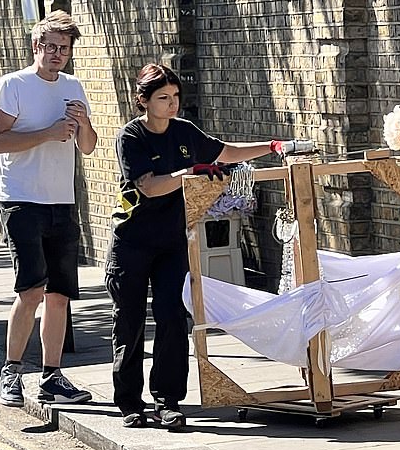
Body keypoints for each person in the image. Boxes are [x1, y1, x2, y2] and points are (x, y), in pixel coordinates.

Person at [107, 63, 310, 430]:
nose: (172, 105)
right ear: (143, 101)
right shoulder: (131, 137)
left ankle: (167, 400)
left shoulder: (183, 131)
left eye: (175, 97)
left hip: (172, 241)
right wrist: (191, 172)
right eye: (163, 98)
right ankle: (129, 402)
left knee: (173, 317)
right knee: (130, 320)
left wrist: (272, 146)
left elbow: (224, 152)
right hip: (133, 240)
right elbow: (150, 186)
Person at [0, 10, 98, 407]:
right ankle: (11, 372)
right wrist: (47, 133)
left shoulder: (73, 87)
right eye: (50, 46)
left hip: (61, 201)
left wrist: (83, 123)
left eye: (63, 48)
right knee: (31, 287)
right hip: (20, 199)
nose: (56, 54)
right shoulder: (13, 85)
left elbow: (87, 146)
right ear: (36, 46)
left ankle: (52, 377)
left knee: (60, 294)